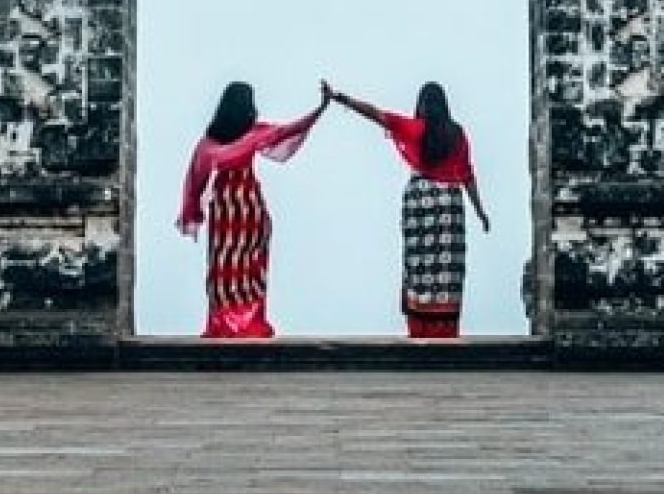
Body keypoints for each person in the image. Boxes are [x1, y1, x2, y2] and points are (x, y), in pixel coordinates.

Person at [324, 79, 488, 338]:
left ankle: (420, 328)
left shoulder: (415, 129)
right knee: (447, 272)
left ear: (422, 104)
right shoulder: (457, 134)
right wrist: (480, 210)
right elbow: (468, 175)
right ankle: (445, 330)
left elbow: (374, 113)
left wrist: (341, 98)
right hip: (450, 206)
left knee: (419, 268)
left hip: (420, 202)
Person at [177, 81, 330, 338]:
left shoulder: (208, 143)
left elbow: (196, 180)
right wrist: (322, 107)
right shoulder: (253, 133)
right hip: (249, 205)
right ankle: (247, 324)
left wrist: (194, 213)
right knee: (250, 267)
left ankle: (226, 326)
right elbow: (294, 128)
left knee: (224, 268)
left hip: (226, 208)